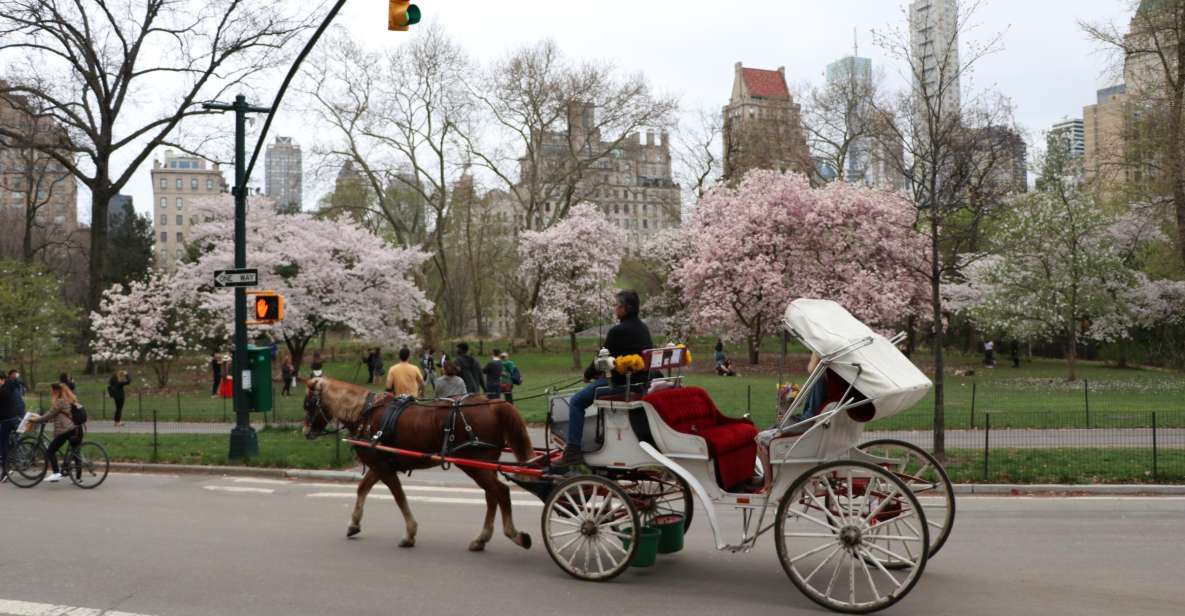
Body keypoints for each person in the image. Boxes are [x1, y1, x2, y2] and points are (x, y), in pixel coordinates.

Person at [555, 290, 653, 471]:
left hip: (620, 386)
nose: (614, 308)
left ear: (627, 308)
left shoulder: (618, 331)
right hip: (640, 383)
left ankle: (573, 450)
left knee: (576, 402)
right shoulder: (643, 328)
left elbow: (601, 360)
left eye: (617, 305)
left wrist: (587, 374)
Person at [29, 383, 81, 483]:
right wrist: (49, 419)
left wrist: (34, 420)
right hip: (73, 428)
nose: (51, 393)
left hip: (65, 430)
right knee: (74, 452)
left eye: (52, 391)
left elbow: (49, 414)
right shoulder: (68, 399)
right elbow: (58, 415)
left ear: (56, 391)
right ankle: (78, 479)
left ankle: (56, 473)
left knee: (50, 451)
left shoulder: (60, 401)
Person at [0, 370, 27, 483]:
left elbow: (4, 396)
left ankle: (6, 470)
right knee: (12, 441)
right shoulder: (11, 384)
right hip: (15, 417)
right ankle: (11, 461)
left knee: (3, 445)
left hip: (8, 420)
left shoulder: (7, 387)